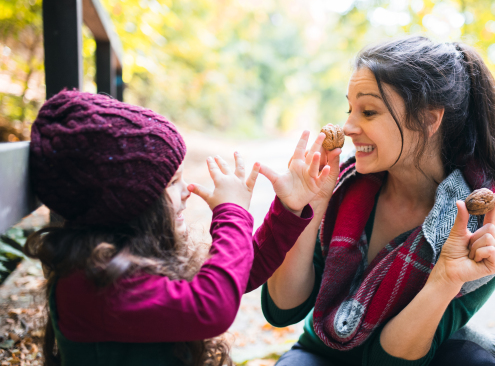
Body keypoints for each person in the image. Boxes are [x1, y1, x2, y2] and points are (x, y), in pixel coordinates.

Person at [262, 36, 495, 366]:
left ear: (429, 120)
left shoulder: (486, 227)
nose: (348, 127)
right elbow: (283, 309)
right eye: (350, 110)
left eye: (368, 112)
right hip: (323, 353)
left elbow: (389, 361)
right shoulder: (340, 188)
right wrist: (307, 211)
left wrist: (445, 280)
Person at [24, 90, 335, 366]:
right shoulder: (90, 284)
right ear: (125, 203)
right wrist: (233, 212)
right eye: (173, 183)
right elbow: (214, 305)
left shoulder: (129, 250)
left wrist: (288, 208)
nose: (186, 191)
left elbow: (238, 271)